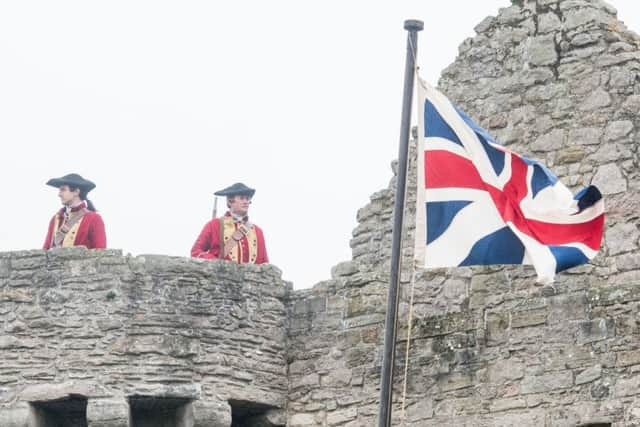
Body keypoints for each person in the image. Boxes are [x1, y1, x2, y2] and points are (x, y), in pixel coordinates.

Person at [191, 182, 268, 264]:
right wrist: (215, 263)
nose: (246, 202)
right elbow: (196, 251)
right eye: (242, 198)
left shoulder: (258, 231)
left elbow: (265, 263)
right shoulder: (214, 225)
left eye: (247, 199)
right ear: (230, 201)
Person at [43, 173, 107, 250]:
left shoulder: (93, 218)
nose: (59, 194)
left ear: (76, 192)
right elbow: (45, 251)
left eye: (63, 190)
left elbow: (100, 252)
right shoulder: (56, 219)